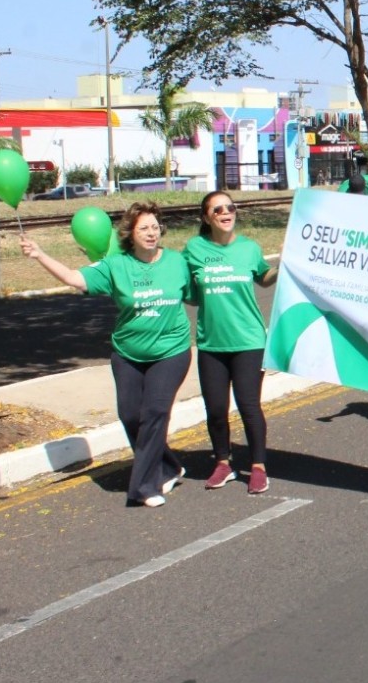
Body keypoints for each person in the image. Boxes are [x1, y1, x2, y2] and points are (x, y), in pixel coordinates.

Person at [20, 203, 194, 508]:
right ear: (130, 233)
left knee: (154, 413)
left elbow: (201, 292)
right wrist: (39, 255)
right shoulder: (116, 265)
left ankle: (144, 486)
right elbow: (75, 278)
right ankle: (168, 466)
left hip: (171, 350)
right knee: (130, 415)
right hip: (128, 352)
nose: (151, 233)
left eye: (155, 227)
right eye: (144, 228)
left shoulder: (177, 262)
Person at [184, 191, 279, 494]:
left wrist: (283, 269)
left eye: (230, 208)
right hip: (211, 344)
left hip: (249, 340)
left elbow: (263, 277)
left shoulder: (249, 248)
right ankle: (223, 463)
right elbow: (187, 289)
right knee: (215, 409)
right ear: (206, 217)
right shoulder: (193, 249)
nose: (226, 213)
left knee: (249, 406)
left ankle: (258, 467)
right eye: (217, 209)